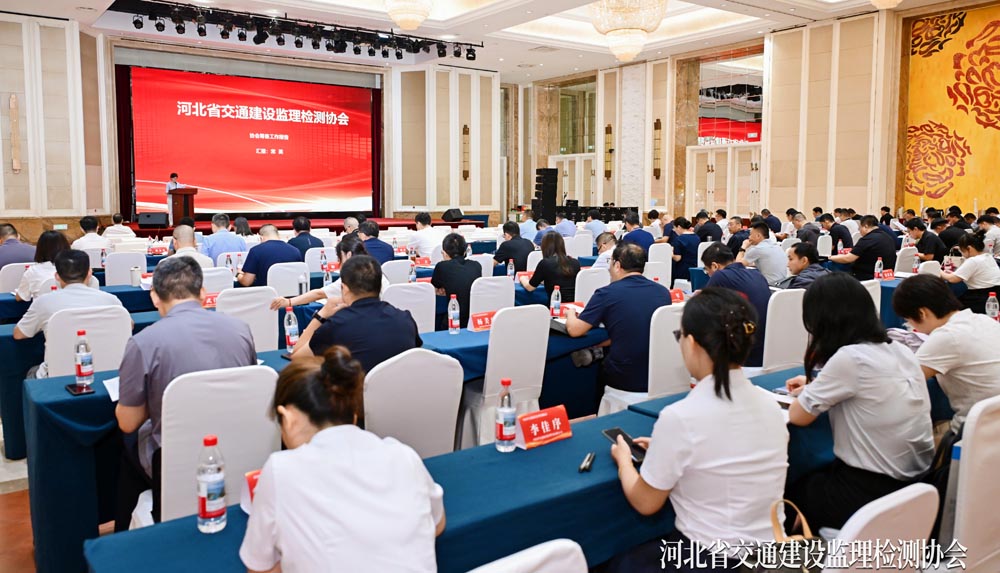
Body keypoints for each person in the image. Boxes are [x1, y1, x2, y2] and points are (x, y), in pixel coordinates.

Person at [607, 288, 788, 572]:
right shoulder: (771, 406)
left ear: (691, 343)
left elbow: (645, 502)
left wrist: (623, 461)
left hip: (710, 559)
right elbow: (727, 449)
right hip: (772, 554)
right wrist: (667, 448)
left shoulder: (681, 417)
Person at [240, 345, 445, 573]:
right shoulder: (403, 455)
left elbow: (259, 568)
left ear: (288, 419)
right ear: (354, 415)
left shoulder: (281, 471)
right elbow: (437, 523)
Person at [785, 273, 934, 530]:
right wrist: (816, 385)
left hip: (868, 489)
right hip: (917, 481)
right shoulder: (899, 349)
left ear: (822, 320)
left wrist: (815, 387)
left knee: (791, 486)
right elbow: (870, 388)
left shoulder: (850, 358)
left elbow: (798, 416)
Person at [115, 257, 256, 529]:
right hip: (241, 448)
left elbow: (128, 422)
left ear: (154, 297)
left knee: (125, 441)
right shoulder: (240, 330)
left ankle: (129, 537)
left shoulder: (143, 342)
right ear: (203, 293)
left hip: (176, 460)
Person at [893, 274, 1000, 434]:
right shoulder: (984, 320)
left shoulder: (946, 336)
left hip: (976, 433)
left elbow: (902, 380)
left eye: (909, 320)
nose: (910, 325)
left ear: (922, 313)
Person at [565, 243, 670, 405]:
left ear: (617, 265)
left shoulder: (607, 293)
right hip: (655, 374)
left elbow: (574, 330)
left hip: (623, 376)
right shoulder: (662, 292)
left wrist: (570, 313)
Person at [295, 255, 421, 370]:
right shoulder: (405, 319)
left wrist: (321, 315)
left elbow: (297, 357)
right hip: (401, 387)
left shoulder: (336, 325)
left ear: (344, 289)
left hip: (355, 388)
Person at [14, 249, 126, 378]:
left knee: (32, 372)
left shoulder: (43, 303)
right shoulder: (111, 300)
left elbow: (19, 334)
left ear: (57, 276)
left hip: (57, 376)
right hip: (110, 373)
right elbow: (129, 325)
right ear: (90, 273)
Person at [271, 236, 388, 310]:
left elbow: (318, 294)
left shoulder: (352, 276)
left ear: (348, 255)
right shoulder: (374, 270)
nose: (338, 262)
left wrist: (289, 301)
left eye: (339, 257)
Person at [701, 243, 770, 367]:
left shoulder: (719, 275)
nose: (708, 274)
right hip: (764, 347)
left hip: (744, 353)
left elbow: (702, 305)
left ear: (715, 266)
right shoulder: (757, 274)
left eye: (707, 270)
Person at [941, 230, 1000, 313]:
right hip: (995, 295)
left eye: (962, 250)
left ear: (969, 248)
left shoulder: (973, 261)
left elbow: (953, 279)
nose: (961, 253)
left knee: (951, 305)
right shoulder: (988, 256)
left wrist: (938, 270)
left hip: (979, 298)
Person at [431, 233, 482, 328]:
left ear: (444, 253)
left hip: (453, 321)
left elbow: (437, 289)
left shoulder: (442, 266)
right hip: (473, 321)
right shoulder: (476, 265)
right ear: (465, 252)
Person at [830, 216, 895, 280]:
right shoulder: (887, 237)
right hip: (886, 275)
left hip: (865, 276)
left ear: (866, 226)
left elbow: (848, 258)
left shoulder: (867, 239)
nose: (859, 230)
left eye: (860, 228)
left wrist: (829, 257)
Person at [522, 232, 580, 302]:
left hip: (555, 305)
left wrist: (522, 278)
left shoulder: (545, 263)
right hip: (575, 304)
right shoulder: (575, 262)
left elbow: (530, 287)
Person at [237, 224, 302, 287]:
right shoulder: (295, 251)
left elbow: (247, 282)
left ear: (261, 237)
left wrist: (238, 274)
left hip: (266, 293)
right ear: (278, 235)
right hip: (291, 292)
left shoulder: (256, 251)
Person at [16, 230, 69, 302]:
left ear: (39, 249)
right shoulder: (75, 269)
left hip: (42, 309)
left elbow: (20, 297)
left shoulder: (32, 271)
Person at [670, 217, 700, 283]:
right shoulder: (697, 237)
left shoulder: (679, 239)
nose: (674, 230)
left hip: (682, 270)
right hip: (694, 267)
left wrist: (670, 254)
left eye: (674, 228)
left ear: (679, 227)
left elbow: (677, 258)